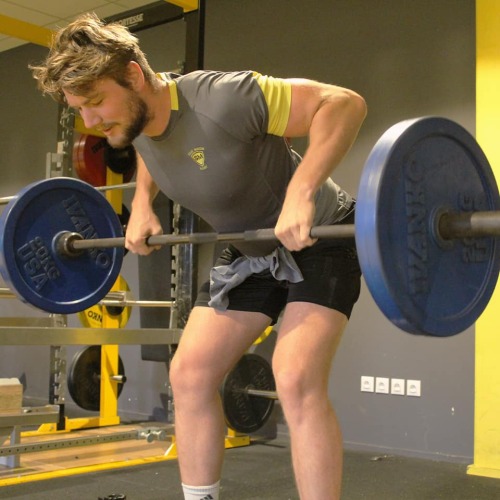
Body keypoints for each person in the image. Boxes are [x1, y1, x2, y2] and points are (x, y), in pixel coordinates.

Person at [31, 12, 366, 500]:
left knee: (294, 378)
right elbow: (149, 143)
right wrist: (143, 205)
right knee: (189, 376)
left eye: (96, 102)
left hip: (321, 235)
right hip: (249, 248)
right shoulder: (136, 117)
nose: (92, 123)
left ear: (134, 74)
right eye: (80, 110)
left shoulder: (224, 97)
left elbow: (343, 104)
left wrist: (303, 190)